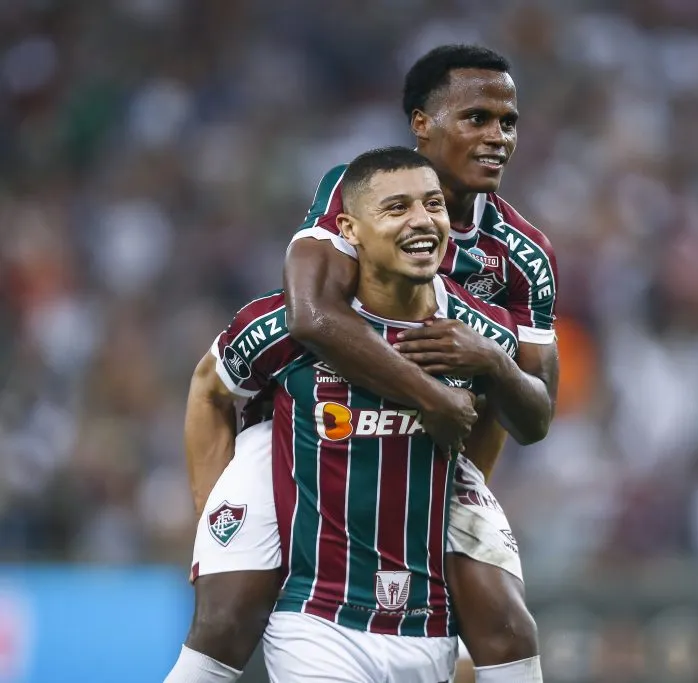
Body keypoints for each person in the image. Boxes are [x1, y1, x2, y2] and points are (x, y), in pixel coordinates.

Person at [168, 45, 556, 683]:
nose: (497, 137)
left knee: (509, 625)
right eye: (477, 118)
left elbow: (533, 408)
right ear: (422, 123)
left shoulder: (522, 255)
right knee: (227, 617)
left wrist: (469, 402)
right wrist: (432, 396)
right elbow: (311, 316)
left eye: (507, 123)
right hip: (302, 428)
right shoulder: (352, 188)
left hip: (426, 448)